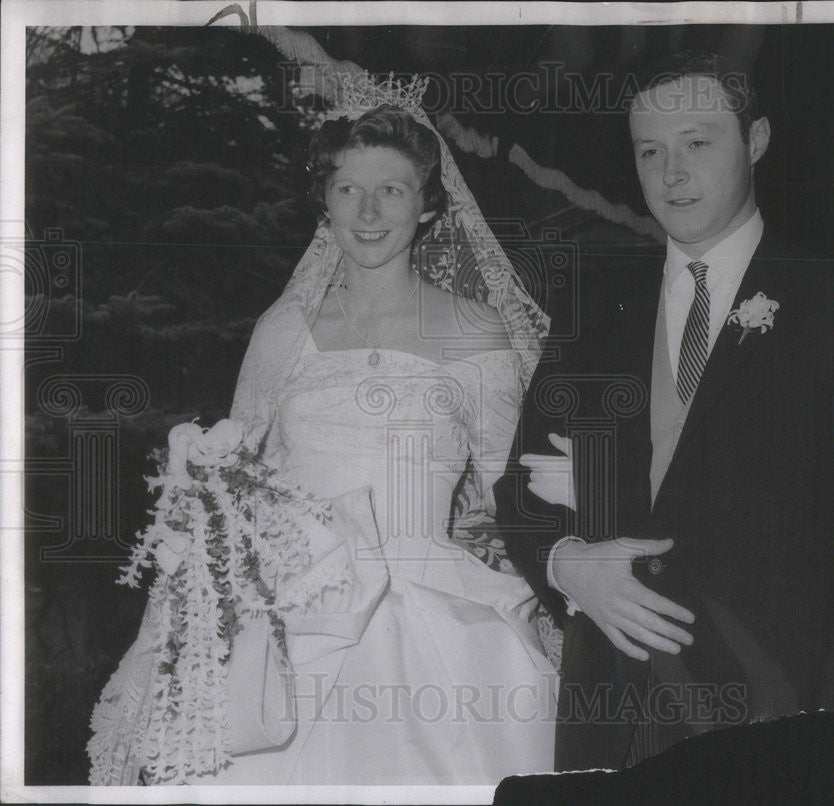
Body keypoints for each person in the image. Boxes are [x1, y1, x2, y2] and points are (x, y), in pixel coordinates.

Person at [90, 86, 557, 785]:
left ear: (428, 204)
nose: (368, 213)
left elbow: (509, 489)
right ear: (326, 201)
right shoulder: (284, 331)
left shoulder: (473, 332)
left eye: (392, 190)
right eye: (348, 189)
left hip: (435, 609)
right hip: (290, 614)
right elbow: (236, 473)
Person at [496, 49, 834, 770]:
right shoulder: (595, 311)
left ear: (754, 141)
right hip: (613, 709)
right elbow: (517, 492)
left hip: (775, 708)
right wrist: (566, 565)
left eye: (697, 143)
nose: (671, 173)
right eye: (650, 151)